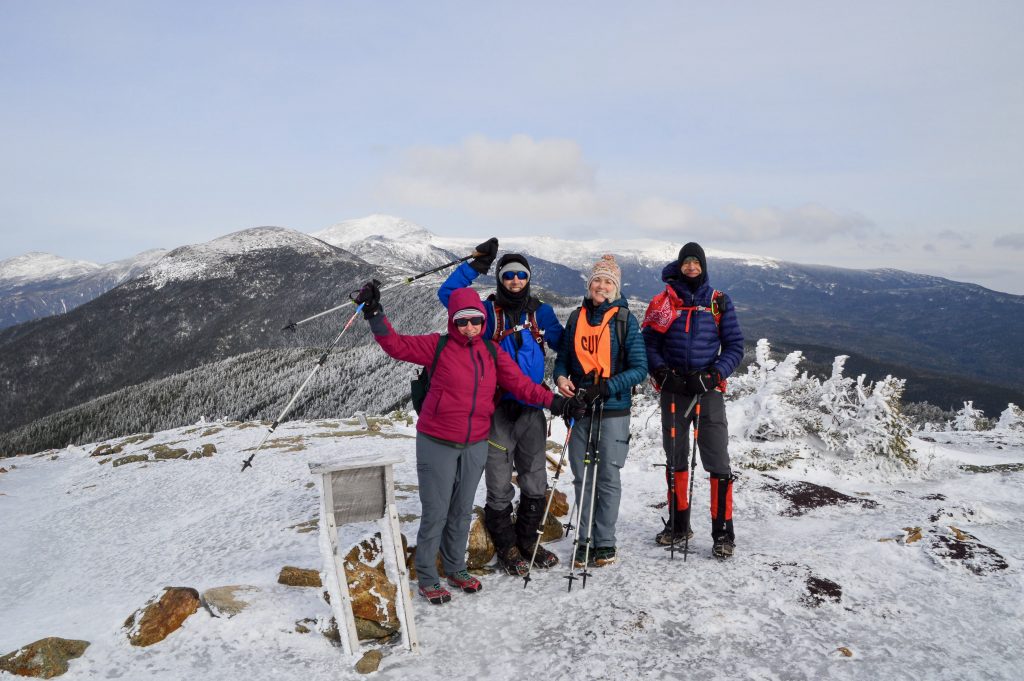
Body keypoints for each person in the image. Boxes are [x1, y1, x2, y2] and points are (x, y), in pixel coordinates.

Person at [353, 281, 584, 604]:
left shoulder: (491, 351)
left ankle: (456, 567)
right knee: (436, 511)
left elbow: (521, 385)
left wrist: (556, 403)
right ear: (453, 321)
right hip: (437, 441)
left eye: (476, 320)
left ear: (483, 321)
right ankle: (428, 575)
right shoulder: (438, 346)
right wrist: (375, 313)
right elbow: (395, 344)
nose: (470, 326)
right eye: (462, 320)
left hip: (476, 442)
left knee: (461, 510)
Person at [437, 239, 566, 576]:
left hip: (533, 408)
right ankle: (507, 547)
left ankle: (527, 543)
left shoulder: (542, 312)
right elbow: (448, 296)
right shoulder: (486, 313)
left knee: (535, 480)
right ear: (500, 278)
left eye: (521, 275)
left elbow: (565, 345)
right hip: (497, 409)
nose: (515, 281)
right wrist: (475, 266)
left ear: (528, 277)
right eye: (508, 275)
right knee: (498, 482)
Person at [641, 242, 744, 558]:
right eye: (686, 262)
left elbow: (735, 347)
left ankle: (723, 532)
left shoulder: (718, 303)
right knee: (676, 457)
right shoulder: (663, 302)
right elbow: (650, 343)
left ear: (703, 266)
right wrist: (660, 372)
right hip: (673, 387)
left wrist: (714, 375)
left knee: (717, 459)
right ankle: (679, 524)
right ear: (679, 265)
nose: (690, 267)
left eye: (695, 262)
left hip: (708, 388)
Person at [554, 254, 648, 568]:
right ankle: (583, 541)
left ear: (616, 287)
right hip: (581, 408)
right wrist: (561, 378)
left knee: (607, 479)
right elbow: (563, 358)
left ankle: (604, 542)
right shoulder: (576, 317)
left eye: (608, 282)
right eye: (598, 280)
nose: (602, 286)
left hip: (613, 411)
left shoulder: (625, 320)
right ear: (590, 284)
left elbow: (640, 369)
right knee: (583, 479)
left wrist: (606, 387)